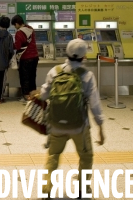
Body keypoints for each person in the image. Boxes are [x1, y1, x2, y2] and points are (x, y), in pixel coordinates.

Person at [39, 38, 105, 197]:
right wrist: (101, 127)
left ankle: (47, 189)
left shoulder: (55, 71)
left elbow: (43, 94)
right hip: (79, 126)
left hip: (56, 125)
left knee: (53, 156)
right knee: (86, 156)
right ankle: (83, 189)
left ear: (66, 53)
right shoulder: (87, 75)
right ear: (83, 57)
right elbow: (94, 104)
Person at [11, 15, 39, 101]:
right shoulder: (30, 29)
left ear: (16, 24)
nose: (15, 27)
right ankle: (34, 95)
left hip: (25, 57)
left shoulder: (19, 33)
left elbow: (18, 46)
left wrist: (11, 45)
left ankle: (26, 96)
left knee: (25, 77)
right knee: (32, 77)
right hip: (35, 56)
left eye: (14, 25)